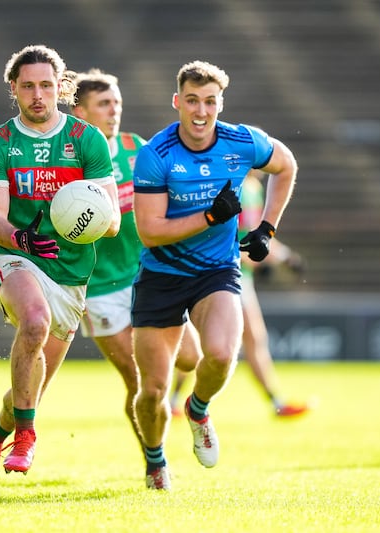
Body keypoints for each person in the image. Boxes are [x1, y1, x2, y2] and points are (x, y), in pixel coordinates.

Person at [131, 60, 298, 490]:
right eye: (192, 101)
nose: (201, 111)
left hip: (216, 271)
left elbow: (287, 165)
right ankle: (155, 462)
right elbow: (150, 233)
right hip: (162, 274)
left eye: (210, 101)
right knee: (151, 392)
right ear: (177, 103)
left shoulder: (242, 140)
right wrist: (209, 216)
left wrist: (268, 228)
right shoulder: (156, 155)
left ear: (220, 104)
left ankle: (199, 409)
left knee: (223, 354)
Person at [0, 44, 121, 499]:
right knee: (33, 322)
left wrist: (90, 217)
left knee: (25, 398)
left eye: (47, 85)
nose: (38, 95)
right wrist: (23, 240)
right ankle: (29, 438)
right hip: (17, 256)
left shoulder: (86, 140)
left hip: (71, 271)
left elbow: (112, 220)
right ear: (13, 88)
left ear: (62, 87)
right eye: (28, 86)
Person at [70, 69, 202, 454]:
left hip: (147, 275)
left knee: (191, 359)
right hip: (98, 288)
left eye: (117, 103)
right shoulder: (70, 161)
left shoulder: (135, 145)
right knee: (139, 381)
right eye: (104, 104)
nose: (114, 112)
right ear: (81, 113)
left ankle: (191, 411)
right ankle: (154, 458)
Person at [169, 170, 309, 418]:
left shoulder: (253, 188)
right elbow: (229, 237)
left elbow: (255, 235)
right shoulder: (238, 188)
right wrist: (267, 259)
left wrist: (284, 256)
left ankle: (174, 400)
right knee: (243, 339)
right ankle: (275, 402)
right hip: (225, 274)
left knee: (231, 340)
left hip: (240, 275)